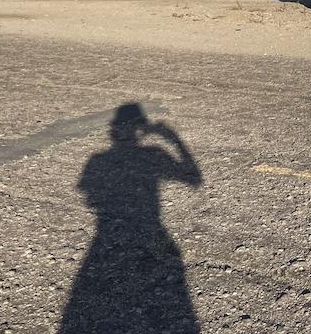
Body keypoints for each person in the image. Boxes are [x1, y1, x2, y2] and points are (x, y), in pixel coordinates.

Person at [59, 103, 203, 334]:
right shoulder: (154, 154)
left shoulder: (97, 159)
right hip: (147, 229)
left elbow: (87, 193)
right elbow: (194, 179)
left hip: (106, 232)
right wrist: (173, 139)